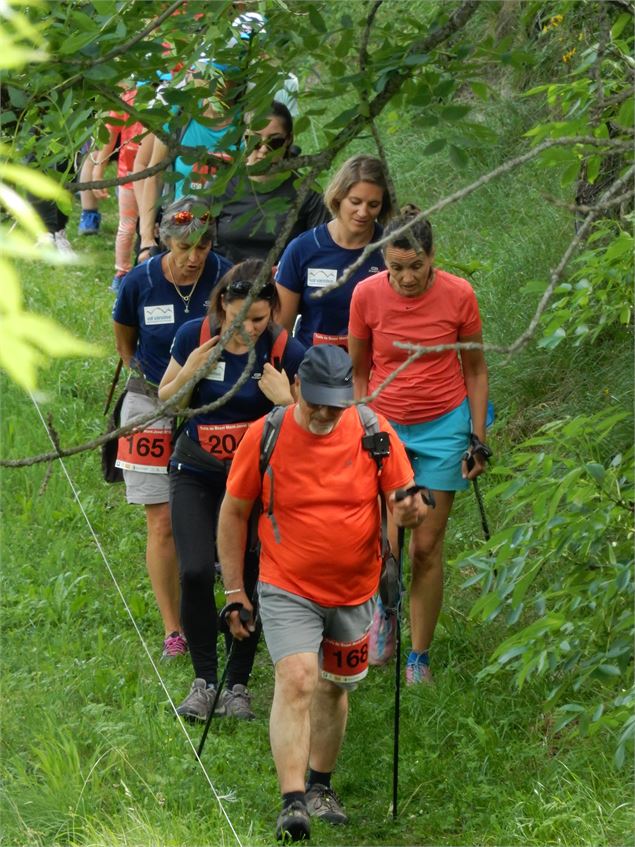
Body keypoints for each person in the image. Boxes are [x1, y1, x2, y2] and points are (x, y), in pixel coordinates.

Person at [217, 345, 428, 841]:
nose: (324, 416)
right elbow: (233, 512)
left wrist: (411, 511)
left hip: (356, 588)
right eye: (315, 405)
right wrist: (233, 589)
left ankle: (320, 785)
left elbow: (402, 496)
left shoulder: (374, 432)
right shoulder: (264, 435)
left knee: (333, 689)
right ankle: (293, 802)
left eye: (335, 407)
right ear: (296, 391)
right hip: (287, 583)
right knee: (296, 677)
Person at [158, 260, 305, 720]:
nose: (249, 329)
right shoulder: (193, 337)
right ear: (223, 305)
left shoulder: (284, 349)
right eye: (240, 319)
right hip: (197, 471)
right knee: (197, 571)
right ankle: (204, 680)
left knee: (252, 573)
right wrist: (190, 375)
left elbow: (316, 428)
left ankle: (237, 685)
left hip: (255, 481)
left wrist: (288, 401)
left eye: (260, 319)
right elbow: (165, 402)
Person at [348, 209, 490, 684]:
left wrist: (478, 439)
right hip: (386, 427)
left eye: (416, 267)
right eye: (396, 269)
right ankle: (385, 612)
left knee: (425, 547)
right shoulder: (366, 295)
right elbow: (359, 369)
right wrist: (360, 425)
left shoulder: (459, 295)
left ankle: (419, 656)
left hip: (444, 428)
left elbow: (475, 370)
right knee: (389, 545)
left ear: (432, 257)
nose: (406, 278)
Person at [112, 196, 232, 658]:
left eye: (202, 245)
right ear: (164, 239)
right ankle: (173, 629)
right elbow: (125, 339)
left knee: (223, 510)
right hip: (152, 400)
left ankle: (232, 603)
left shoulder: (224, 274)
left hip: (211, 402)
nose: (193, 257)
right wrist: (155, 383)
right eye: (184, 246)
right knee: (161, 521)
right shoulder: (139, 282)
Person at [274, 154, 393, 350]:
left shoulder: (391, 249)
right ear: (338, 198)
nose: (363, 212)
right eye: (355, 202)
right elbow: (281, 329)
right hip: (313, 366)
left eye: (373, 205)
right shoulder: (302, 249)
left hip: (375, 368)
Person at [215, 100, 328, 263]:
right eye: (254, 140)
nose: (263, 150)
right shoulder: (220, 186)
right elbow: (203, 246)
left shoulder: (308, 192)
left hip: (284, 284)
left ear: (288, 140)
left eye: (274, 142)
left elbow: (319, 254)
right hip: (226, 281)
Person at [89, 85, 145, 293]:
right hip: (129, 172)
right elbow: (110, 133)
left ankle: (151, 270)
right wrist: (98, 171)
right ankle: (121, 273)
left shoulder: (170, 94)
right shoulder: (128, 95)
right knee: (128, 224)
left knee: (155, 224)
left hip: (158, 175)